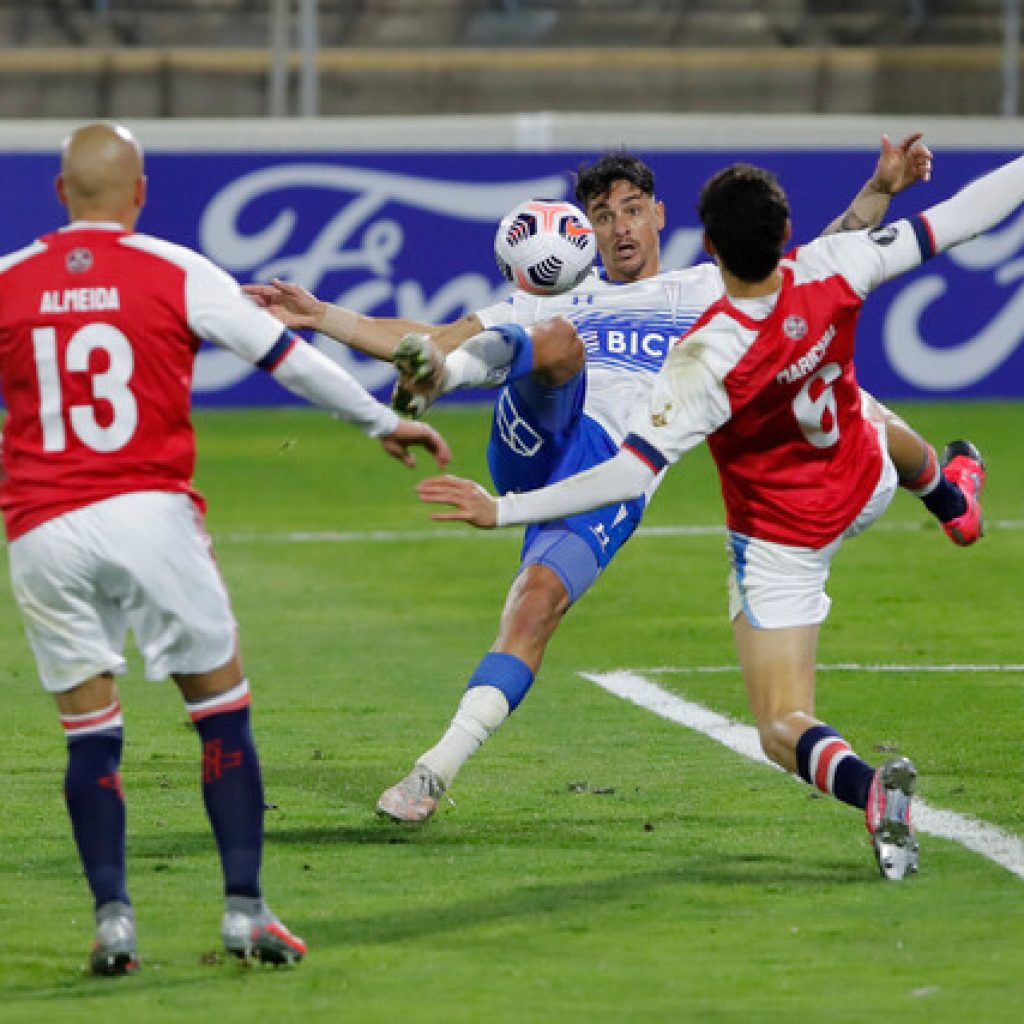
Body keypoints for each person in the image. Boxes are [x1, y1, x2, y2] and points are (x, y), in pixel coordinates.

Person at [246, 135, 982, 825]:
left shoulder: (708, 290)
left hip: (610, 471)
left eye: (632, 210)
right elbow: (428, 329)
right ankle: (442, 379)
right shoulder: (563, 294)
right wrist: (322, 317)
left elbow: (822, 257)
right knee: (553, 340)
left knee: (536, 605)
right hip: (537, 432)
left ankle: (432, 773)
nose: (620, 227)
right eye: (603, 216)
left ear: (659, 216)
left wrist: (880, 188)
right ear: (585, 233)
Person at [414, 152, 1019, 880]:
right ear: (789, 232)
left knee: (782, 724)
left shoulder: (702, 359)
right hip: (864, 485)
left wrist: (505, 508)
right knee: (856, 403)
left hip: (782, 541)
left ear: (705, 246)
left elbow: (627, 473)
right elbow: (963, 216)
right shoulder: (831, 267)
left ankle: (870, 788)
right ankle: (951, 497)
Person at [0, 121, 450, 975]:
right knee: (219, 708)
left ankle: (114, 924)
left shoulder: (11, 278)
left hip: (43, 529)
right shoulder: (174, 269)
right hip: (148, 515)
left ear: (60, 195)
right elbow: (285, 358)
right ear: (139, 193)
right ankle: (245, 910)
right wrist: (382, 419)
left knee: (90, 736)